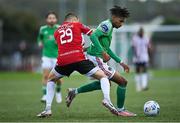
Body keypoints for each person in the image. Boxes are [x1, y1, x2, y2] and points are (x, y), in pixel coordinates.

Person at [37, 13, 118, 117]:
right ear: (75, 20)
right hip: (79, 59)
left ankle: (47, 109)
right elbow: (92, 34)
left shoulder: (57, 31)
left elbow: (64, 44)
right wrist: (101, 50)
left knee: (51, 79)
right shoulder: (77, 25)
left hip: (63, 60)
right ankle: (107, 99)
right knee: (103, 76)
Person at [66, 6, 136, 117]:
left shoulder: (109, 27)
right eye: (120, 21)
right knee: (122, 82)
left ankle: (74, 91)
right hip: (96, 58)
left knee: (104, 83)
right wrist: (102, 53)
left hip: (94, 56)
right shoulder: (106, 25)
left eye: (123, 22)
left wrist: (120, 62)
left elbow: (106, 48)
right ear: (114, 17)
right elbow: (93, 36)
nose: (121, 24)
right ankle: (121, 109)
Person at [37, 11, 62, 103]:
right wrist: (39, 42)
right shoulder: (42, 29)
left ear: (56, 19)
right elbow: (39, 38)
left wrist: (58, 42)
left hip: (57, 56)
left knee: (57, 77)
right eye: (50, 18)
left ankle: (58, 92)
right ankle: (45, 95)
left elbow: (63, 40)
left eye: (53, 18)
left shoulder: (59, 28)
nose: (51, 19)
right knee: (46, 75)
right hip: (46, 55)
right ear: (46, 19)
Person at [132, 27, 152, 92]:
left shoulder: (146, 38)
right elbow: (133, 47)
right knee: (137, 71)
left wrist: (149, 56)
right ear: (139, 32)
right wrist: (135, 55)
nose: (142, 33)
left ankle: (144, 85)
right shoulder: (135, 38)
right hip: (137, 56)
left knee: (144, 70)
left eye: (142, 32)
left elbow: (148, 47)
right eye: (141, 32)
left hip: (144, 56)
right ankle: (138, 87)